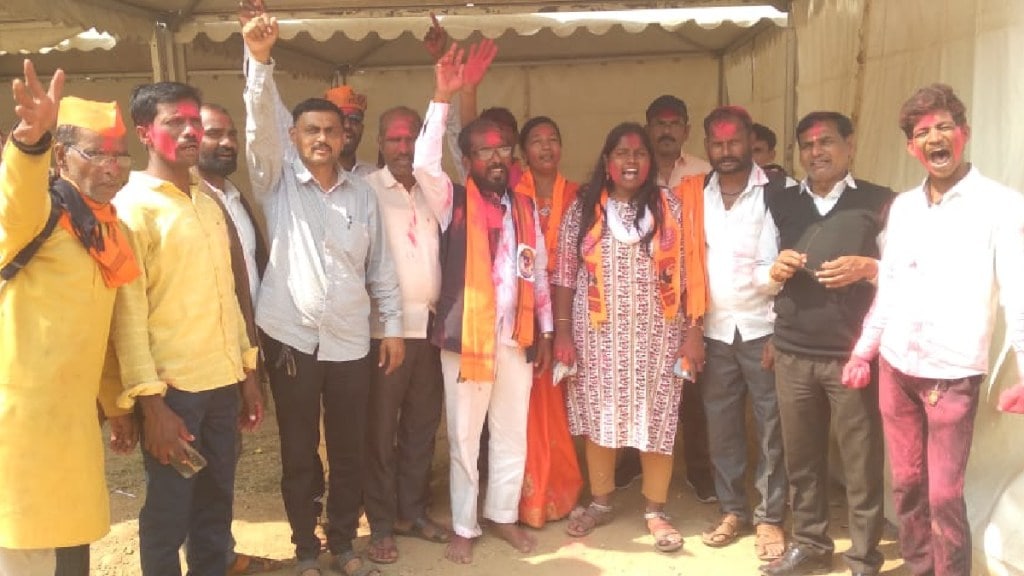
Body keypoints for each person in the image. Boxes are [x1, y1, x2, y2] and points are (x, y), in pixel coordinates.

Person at [241, 11, 403, 576]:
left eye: (331, 131)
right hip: (292, 340)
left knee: (349, 448)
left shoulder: (361, 196)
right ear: (296, 137)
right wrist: (259, 62)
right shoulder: (277, 184)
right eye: (311, 130)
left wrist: (393, 330)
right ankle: (305, 548)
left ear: (345, 136)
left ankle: (342, 544)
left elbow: (380, 269)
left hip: (352, 342)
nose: (322, 139)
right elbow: (260, 126)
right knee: (299, 452)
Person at [841, 84, 1024, 576]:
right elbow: (891, 286)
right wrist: (863, 352)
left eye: (945, 127)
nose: (935, 138)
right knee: (906, 485)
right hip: (896, 365)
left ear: (963, 134)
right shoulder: (903, 208)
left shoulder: (1002, 206)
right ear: (911, 147)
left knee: (944, 494)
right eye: (923, 132)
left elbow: (1018, 290)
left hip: (953, 373)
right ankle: (918, 566)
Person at [111, 80, 261, 576]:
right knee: (169, 514)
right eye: (175, 122)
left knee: (216, 505)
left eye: (194, 120)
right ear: (145, 134)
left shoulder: (207, 202)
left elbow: (230, 300)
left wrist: (248, 374)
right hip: (175, 395)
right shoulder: (132, 209)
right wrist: (150, 407)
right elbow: (127, 315)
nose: (190, 130)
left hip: (220, 386)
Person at [412, 43, 553, 565]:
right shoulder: (452, 197)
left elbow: (536, 270)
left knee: (510, 431)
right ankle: (466, 524)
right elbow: (424, 160)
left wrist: (543, 330)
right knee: (465, 438)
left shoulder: (522, 205)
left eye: (503, 149)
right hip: (465, 339)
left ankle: (504, 516)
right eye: (484, 151)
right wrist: (443, 95)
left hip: (515, 339)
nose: (496, 157)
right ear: (468, 160)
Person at [0, 61, 138, 576]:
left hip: (73, 427)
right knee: (23, 550)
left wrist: (115, 404)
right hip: (20, 427)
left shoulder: (105, 227)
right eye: (96, 152)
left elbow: (96, 329)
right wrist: (28, 141)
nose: (111, 165)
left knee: (72, 544)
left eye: (119, 154)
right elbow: (14, 200)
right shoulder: (39, 213)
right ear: (62, 157)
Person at [759, 111, 894, 576]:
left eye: (827, 141)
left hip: (851, 356)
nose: (817, 152)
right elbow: (757, 271)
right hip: (793, 351)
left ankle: (863, 557)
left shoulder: (878, 202)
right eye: (808, 144)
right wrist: (772, 273)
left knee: (860, 461)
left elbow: (905, 271)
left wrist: (869, 268)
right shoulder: (781, 202)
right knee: (803, 460)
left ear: (850, 145)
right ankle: (812, 545)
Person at [553, 121, 697, 554]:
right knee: (599, 414)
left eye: (639, 153)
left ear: (650, 162)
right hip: (596, 336)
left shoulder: (671, 205)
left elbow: (692, 277)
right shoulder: (583, 209)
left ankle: (655, 510)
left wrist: (694, 333)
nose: (630, 160)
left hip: (659, 337)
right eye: (621, 153)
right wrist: (561, 332)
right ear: (607, 161)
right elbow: (563, 275)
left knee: (657, 419)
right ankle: (601, 501)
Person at [695, 106, 787, 561]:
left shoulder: (781, 192)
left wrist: (781, 331)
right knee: (722, 426)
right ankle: (733, 509)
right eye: (717, 143)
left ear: (750, 140)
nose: (726, 152)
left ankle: (771, 518)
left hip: (764, 328)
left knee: (773, 426)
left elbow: (795, 263)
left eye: (734, 142)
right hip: (715, 330)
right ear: (707, 146)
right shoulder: (696, 194)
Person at [195, 103, 282, 576]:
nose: (225, 142)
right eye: (214, 133)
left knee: (224, 460)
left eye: (230, 134)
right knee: (198, 467)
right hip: (199, 357)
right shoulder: (186, 200)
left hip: (239, 352)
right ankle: (209, 559)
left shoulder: (232, 195)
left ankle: (219, 554)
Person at [361, 106, 449, 565]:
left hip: (430, 333)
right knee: (379, 431)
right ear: (380, 144)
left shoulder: (435, 193)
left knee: (421, 426)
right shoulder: (367, 192)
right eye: (393, 139)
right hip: (384, 335)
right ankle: (379, 522)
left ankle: (412, 512)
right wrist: (389, 328)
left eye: (410, 138)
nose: (402, 147)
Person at [617, 94, 715, 503]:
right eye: (659, 123)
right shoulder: (631, 172)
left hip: (690, 297)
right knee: (632, 388)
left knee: (692, 392)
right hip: (640, 306)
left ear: (687, 131)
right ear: (647, 127)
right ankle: (627, 465)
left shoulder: (704, 174)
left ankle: (700, 472)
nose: (667, 131)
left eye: (675, 124)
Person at [514, 115, 584, 528]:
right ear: (523, 152)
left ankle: (562, 489)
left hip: (567, 312)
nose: (545, 147)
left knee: (562, 406)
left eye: (552, 139)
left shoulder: (578, 195)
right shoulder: (509, 193)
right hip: (522, 315)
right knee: (523, 409)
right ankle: (528, 496)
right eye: (536, 141)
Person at [322, 85, 376, 177]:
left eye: (354, 119)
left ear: (362, 129)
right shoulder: (311, 174)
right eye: (340, 119)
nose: (347, 125)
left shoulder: (373, 176)